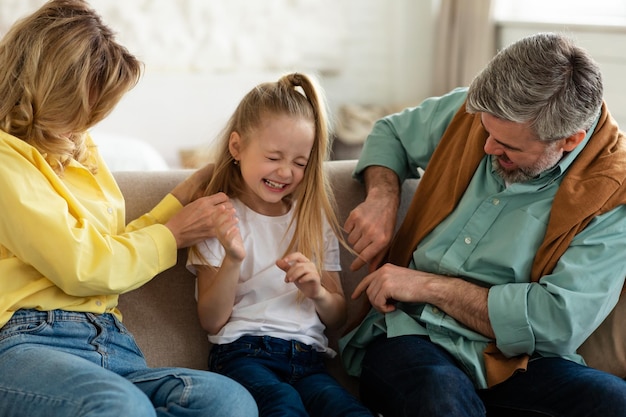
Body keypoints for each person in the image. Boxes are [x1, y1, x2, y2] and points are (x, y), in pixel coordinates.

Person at [339, 32, 626, 417]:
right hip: (412, 334)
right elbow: (391, 133)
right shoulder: (475, 116)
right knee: (439, 395)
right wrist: (382, 197)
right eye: (487, 132)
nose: (487, 147)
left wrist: (426, 285)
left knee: (612, 402)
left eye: (509, 146)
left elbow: (556, 323)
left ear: (570, 139)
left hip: (521, 361)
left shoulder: (614, 192)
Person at [0, 1, 258, 416]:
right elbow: (84, 265)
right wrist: (173, 234)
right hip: (27, 342)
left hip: (110, 342)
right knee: (122, 406)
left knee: (228, 401)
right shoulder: (4, 162)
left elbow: (108, 247)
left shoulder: (79, 147)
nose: (85, 123)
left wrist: (176, 206)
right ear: (42, 87)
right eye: (80, 108)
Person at [187, 72, 373, 417]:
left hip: (309, 360)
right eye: (274, 158)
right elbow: (212, 321)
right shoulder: (218, 216)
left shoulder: (311, 219)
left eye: (299, 163)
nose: (286, 172)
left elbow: (337, 315)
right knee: (283, 408)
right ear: (237, 147)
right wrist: (232, 258)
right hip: (243, 355)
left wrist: (317, 290)